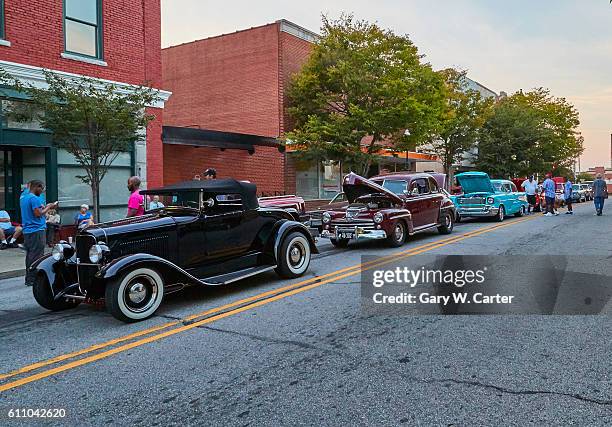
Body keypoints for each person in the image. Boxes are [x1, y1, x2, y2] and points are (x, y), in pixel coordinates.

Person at [20, 180, 58, 287]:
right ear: (38, 187)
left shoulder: (24, 198)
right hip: (36, 229)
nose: (42, 191)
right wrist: (49, 207)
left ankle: (29, 277)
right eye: (42, 189)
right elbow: (38, 214)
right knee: (37, 255)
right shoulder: (34, 198)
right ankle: (32, 278)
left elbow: (33, 211)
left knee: (30, 254)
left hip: (27, 230)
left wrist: (44, 207)